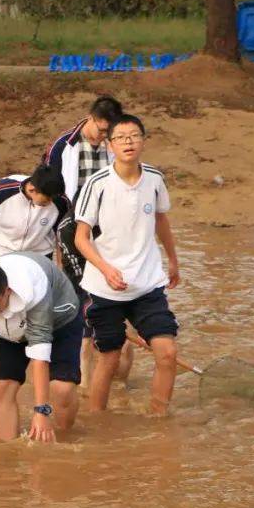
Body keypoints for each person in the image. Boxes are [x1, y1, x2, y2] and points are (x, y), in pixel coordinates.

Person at [74, 114, 181, 415]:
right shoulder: (97, 184)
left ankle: (158, 421)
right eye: (121, 137)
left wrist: (173, 260)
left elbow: (161, 220)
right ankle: (98, 422)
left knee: (167, 353)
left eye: (134, 135)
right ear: (110, 146)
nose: (128, 142)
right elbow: (81, 238)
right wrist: (106, 269)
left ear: (143, 141)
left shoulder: (155, 179)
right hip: (104, 287)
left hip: (147, 284)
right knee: (108, 357)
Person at [43, 94, 134, 386]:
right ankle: (80, 371)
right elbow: (50, 192)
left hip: (106, 227)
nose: (104, 137)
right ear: (90, 118)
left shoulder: (116, 147)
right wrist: (56, 244)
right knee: (78, 290)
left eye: (111, 132)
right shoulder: (64, 146)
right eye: (101, 129)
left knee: (112, 288)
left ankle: (116, 376)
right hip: (70, 227)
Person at [0, 254, 84, 444]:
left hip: (59, 321)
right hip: (9, 331)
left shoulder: (34, 288)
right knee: (3, 386)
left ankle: (64, 442)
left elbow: (39, 355)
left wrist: (41, 410)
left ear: (7, 291)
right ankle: (8, 455)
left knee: (62, 389)